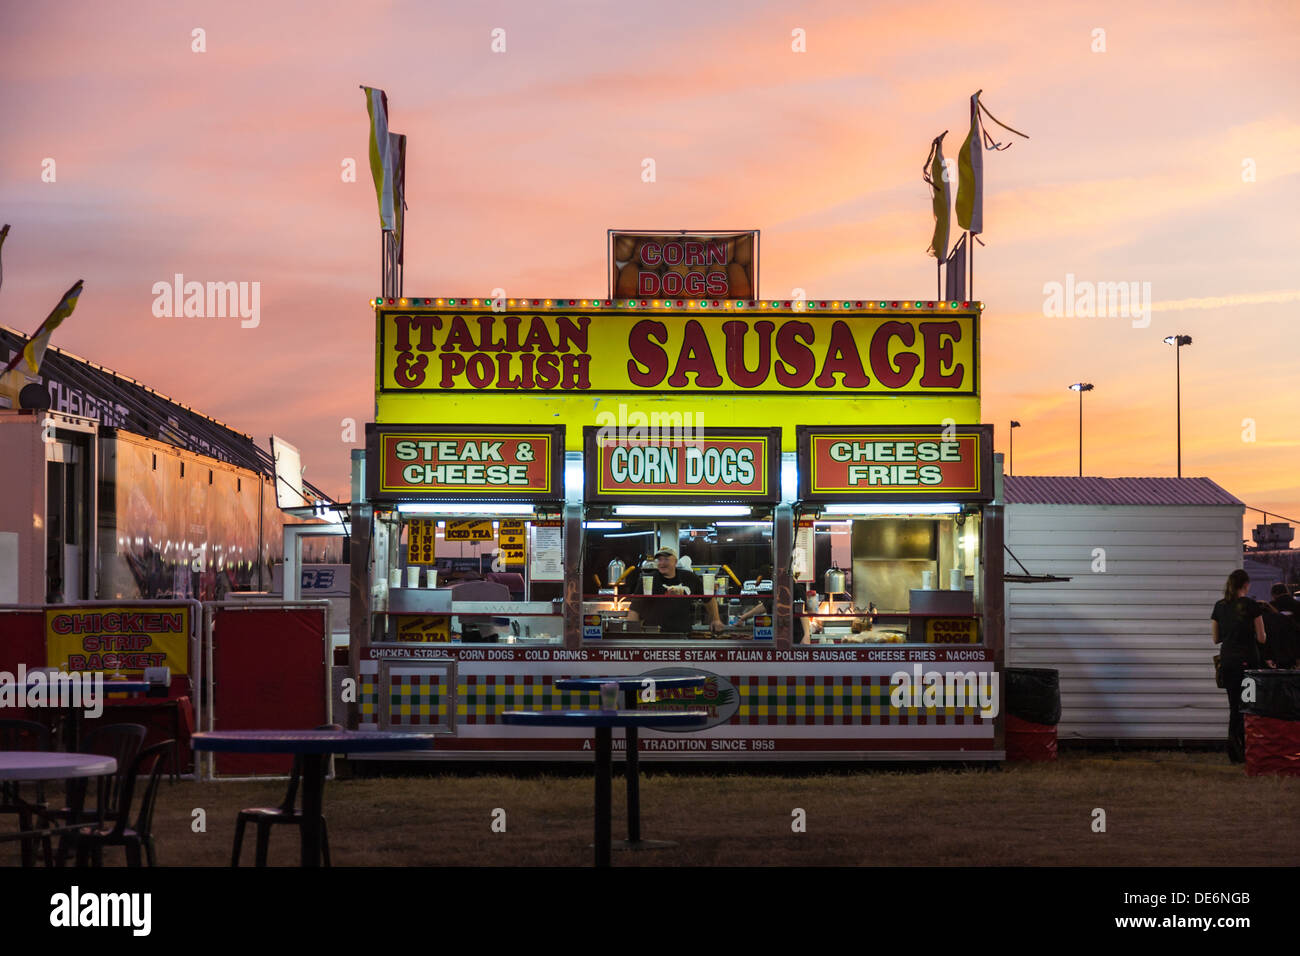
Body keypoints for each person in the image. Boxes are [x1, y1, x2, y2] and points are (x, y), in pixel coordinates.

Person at [1211, 569, 1267, 763]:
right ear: (1246, 585)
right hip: (1248, 665)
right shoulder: (1251, 605)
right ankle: (1247, 749)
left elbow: (1216, 638)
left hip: (1227, 663)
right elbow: (1261, 638)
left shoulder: (1219, 606)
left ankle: (1233, 751)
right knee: (1248, 705)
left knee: (1234, 707)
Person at [626, 547, 724, 636]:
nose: (662, 563)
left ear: (675, 562)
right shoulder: (647, 579)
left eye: (666, 559)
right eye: (659, 560)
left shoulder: (689, 577)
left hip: (683, 634)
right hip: (654, 635)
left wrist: (716, 619)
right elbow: (635, 609)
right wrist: (632, 635)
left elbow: (709, 598)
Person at [1262, 583, 1299, 670]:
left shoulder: (1270, 607)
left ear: (1273, 594)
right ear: (1287, 592)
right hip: (1295, 650)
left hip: (1277, 651)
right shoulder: (1297, 605)